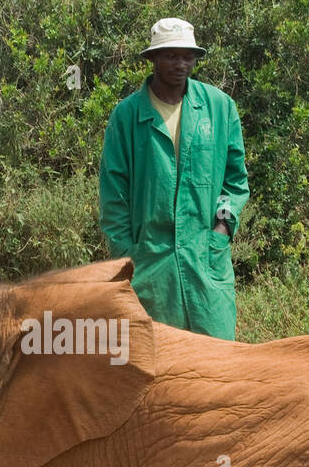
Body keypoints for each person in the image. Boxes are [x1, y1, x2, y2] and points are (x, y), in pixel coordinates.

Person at [98, 17, 249, 340]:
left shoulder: (219, 109)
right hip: (149, 268)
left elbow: (234, 183)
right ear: (152, 58)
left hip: (207, 263)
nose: (181, 64)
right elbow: (113, 196)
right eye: (170, 55)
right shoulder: (126, 117)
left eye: (187, 56)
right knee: (155, 366)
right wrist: (129, 255)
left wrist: (221, 229)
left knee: (216, 365)